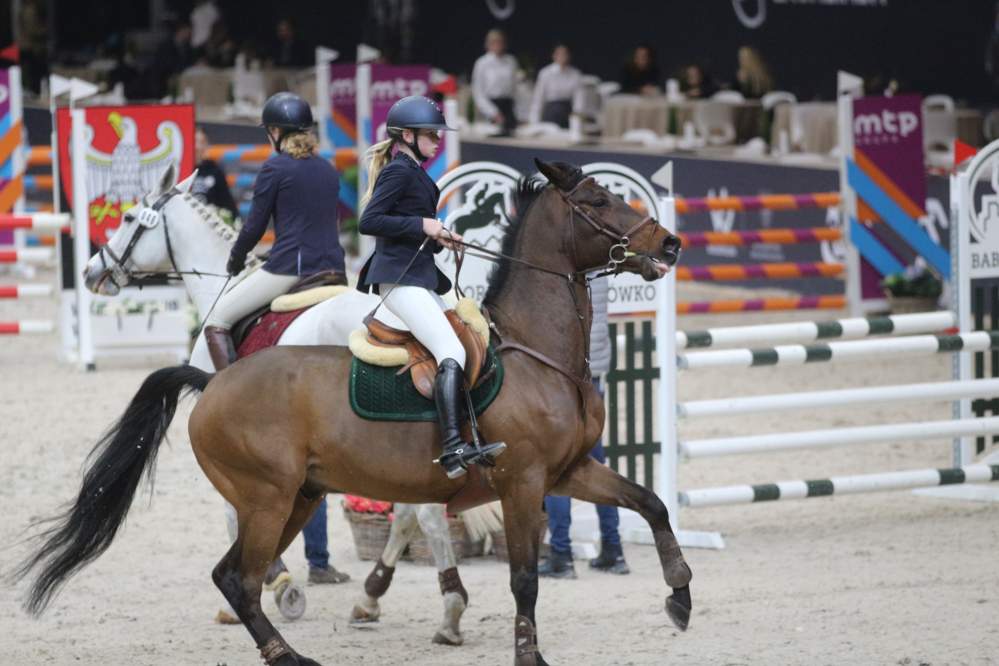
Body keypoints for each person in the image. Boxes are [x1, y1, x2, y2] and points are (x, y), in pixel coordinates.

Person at [357, 96, 506, 478]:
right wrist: (423, 225)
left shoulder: (413, 171)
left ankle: (467, 434)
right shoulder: (398, 171)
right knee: (450, 349)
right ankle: (453, 447)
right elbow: (369, 221)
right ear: (407, 136)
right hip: (399, 278)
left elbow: (408, 223)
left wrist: (440, 237)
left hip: (418, 275)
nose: (438, 141)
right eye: (431, 135)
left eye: (438, 135)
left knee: (464, 339)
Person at [204, 92, 346, 373]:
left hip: (292, 267)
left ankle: (230, 389)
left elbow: (254, 227)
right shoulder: (327, 168)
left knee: (217, 319)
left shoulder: (275, 168)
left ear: (276, 132)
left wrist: (236, 257)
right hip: (334, 266)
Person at [539, 276, 629, 579]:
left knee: (555, 465)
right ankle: (613, 549)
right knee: (596, 462)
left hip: (565, 370)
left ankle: (561, 555)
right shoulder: (600, 258)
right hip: (595, 368)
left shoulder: (567, 258)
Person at [472, 29, 520, 135]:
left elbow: (515, 89)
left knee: (512, 132)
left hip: (507, 106)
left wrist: (519, 112)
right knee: (493, 132)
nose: (498, 45)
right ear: (488, 44)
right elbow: (478, 93)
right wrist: (493, 112)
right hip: (490, 106)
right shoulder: (482, 63)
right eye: (494, 42)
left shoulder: (511, 61)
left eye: (500, 42)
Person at [529, 43, 582, 128]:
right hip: (551, 109)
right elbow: (539, 97)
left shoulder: (575, 74)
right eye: (559, 54)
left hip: (567, 109)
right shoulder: (546, 73)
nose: (562, 57)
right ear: (554, 56)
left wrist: (577, 112)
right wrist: (534, 119)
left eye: (565, 54)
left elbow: (578, 96)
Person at [191, 127, 239, 221]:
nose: (197, 147)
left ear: (206, 145)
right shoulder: (181, 170)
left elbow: (227, 201)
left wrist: (236, 222)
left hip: (209, 222)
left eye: (201, 142)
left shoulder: (214, 171)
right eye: (195, 141)